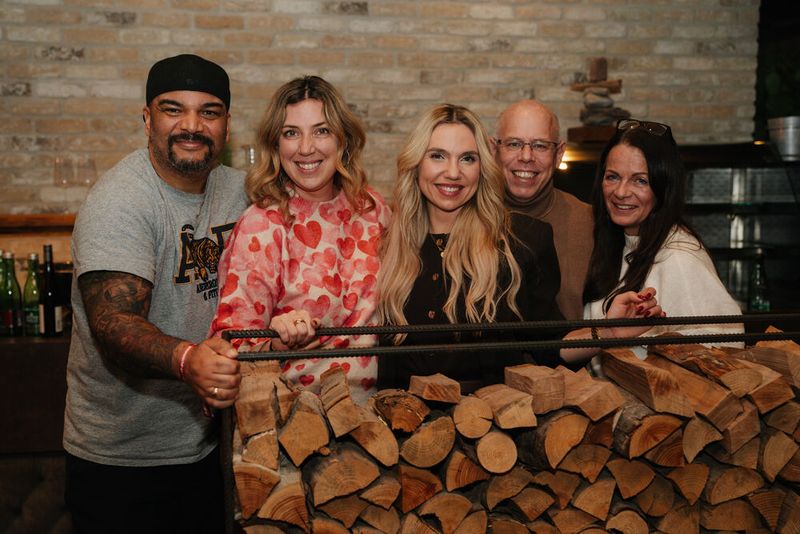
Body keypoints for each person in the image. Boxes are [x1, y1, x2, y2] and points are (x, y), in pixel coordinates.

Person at [63, 54, 249, 533]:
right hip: (121, 461)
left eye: (209, 112)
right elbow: (114, 325)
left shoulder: (242, 191)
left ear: (227, 126)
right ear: (147, 119)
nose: (192, 126)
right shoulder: (121, 200)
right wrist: (189, 360)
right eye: (173, 109)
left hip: (210, 447)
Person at [376, 104, 661, 392]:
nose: (453, 172)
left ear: (482, 167)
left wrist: (608, 331)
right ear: (416, 163)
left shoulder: (522, 240)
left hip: (489, 416)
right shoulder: (388, 242)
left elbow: (549, 347)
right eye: (437, 156)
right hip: (399, 414)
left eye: (467, 159)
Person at [209, 76, 390, 404]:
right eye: (291, 133)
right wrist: (276, 342)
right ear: (276, 145)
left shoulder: (371, 208)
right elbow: (230, 346)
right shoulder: (263, 224)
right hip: (295, 417)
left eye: (322, 131)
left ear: (343, 139)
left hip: (374, 414)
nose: (306, 148)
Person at [583, 118, 743, 359]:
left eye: (640, 180)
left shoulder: (679, 258)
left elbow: (725, 348)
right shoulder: (615, 242)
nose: (621, 192)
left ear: (664, 188)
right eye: (613, 177)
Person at [494, 99, 593, 320]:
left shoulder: (591, 222)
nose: (526, 157)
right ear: (494, 150)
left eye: (540, 145)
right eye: (513, 144)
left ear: (559, 154)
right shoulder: (466, 217)